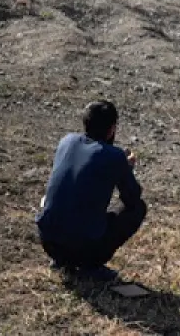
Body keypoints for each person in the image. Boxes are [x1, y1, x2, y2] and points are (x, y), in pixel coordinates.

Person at [35, 99, 146, 280]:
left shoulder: (67, 141)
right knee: (138, 209)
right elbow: (132, 198)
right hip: (84, 249)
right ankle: (91, 265)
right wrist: (125, 169)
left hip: (49, 241)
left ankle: (61, 261)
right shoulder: (115, 156)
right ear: (112, 128)